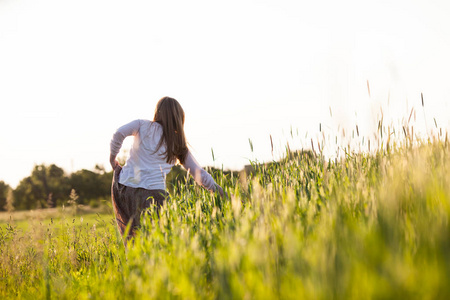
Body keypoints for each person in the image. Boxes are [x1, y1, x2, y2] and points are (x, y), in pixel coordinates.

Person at [110, 96, 225, 242]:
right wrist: (222, 193)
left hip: (125, 189)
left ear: (157, 112)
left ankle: (132, 263)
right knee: (158, 241)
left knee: (132, 240)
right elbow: (199, 174)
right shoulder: (177, 142)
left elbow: (119, 133)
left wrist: (112, 159)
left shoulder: (141, 125)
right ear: (179, 117)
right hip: (154, 196)